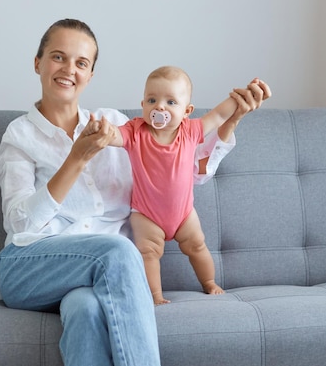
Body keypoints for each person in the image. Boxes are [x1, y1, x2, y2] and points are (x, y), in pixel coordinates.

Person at [0, 18, 270, 366]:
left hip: (98, 276)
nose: (69, 69)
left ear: (90, 74)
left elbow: (182, 174)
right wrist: (76, 159)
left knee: (85, 309)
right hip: (29, 266)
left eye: (81, 63)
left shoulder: (114, 123)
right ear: (38, 62)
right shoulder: (19, 136)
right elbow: (19, 224)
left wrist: (231, 120)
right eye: (58, 57)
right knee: (117, 251)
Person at [89, 66, 270, 305]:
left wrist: (245, 94)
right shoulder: (135, 132)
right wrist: (101, 130)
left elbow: (218, 115)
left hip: (184, 214)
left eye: (171, 102)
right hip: (146, 214)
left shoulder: (191, 131)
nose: (160, 107)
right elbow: (114, 135)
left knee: (197, 246)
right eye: (152, 100)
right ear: (143, 104)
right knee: (148, 254)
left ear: (187, 111)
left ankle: (210, 283)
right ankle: (155, 295)